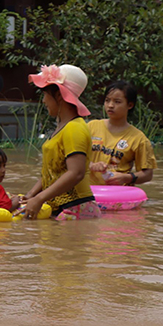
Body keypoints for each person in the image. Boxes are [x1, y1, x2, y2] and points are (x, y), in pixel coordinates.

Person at [21, 64, 102, 220]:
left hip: (76, 207)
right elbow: (53, 172)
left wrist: (39, 198)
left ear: (59, 95)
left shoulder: (74, 128)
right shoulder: (62, 128)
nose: (43, 101)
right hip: (63, 208)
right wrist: (31, 195)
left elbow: (75, 173)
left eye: (45, 94)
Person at [87, 81, 156, 186]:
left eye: (117, 102)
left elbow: (147, 174)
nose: (110, 105)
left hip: (119, 194)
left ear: (130, 105)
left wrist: (126, 177)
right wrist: (91, 165)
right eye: (107, 100)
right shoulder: (91, 127)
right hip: (89, 191)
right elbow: (73, 158)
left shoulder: (138, 138)